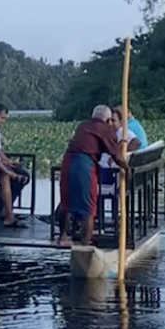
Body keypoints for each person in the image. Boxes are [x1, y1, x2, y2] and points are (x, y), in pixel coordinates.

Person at [57, 105, 128, 247]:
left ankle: (62, 237)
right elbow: (116, 156)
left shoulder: (83, 125)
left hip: (68, 161)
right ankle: (85, 244)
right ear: (107, 120)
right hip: (84, 164)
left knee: (65, 203)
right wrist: (127, 168)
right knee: (89, 208)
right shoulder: (105, 129)